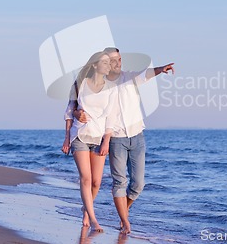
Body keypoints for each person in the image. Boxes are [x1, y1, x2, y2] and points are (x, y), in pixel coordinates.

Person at [74, 47, 174, 234]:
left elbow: (146, 74)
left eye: (120, 59)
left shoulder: (129, 78)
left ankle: (123, 209)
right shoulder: (100, 85)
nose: (118, 63)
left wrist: (161, 69)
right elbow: (83, 104)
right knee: (117, 181)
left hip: (137, 135)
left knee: (138, 184)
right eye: (114, 60)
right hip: (115, 138)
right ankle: (122, 220)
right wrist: (77, 114)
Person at [61, 51, 118, 233]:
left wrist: (107, 141)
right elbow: (70, 111)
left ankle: (86, 210)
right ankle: (93, 219)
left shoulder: (111, 88)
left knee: (96, 182)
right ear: (94, 65)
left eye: (109, 63)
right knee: (85, 178)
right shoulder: (80, 85)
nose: (108, 66)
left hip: (99, 137)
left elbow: (111, 117)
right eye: (104, 62)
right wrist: (67, 138)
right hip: (80, 135)